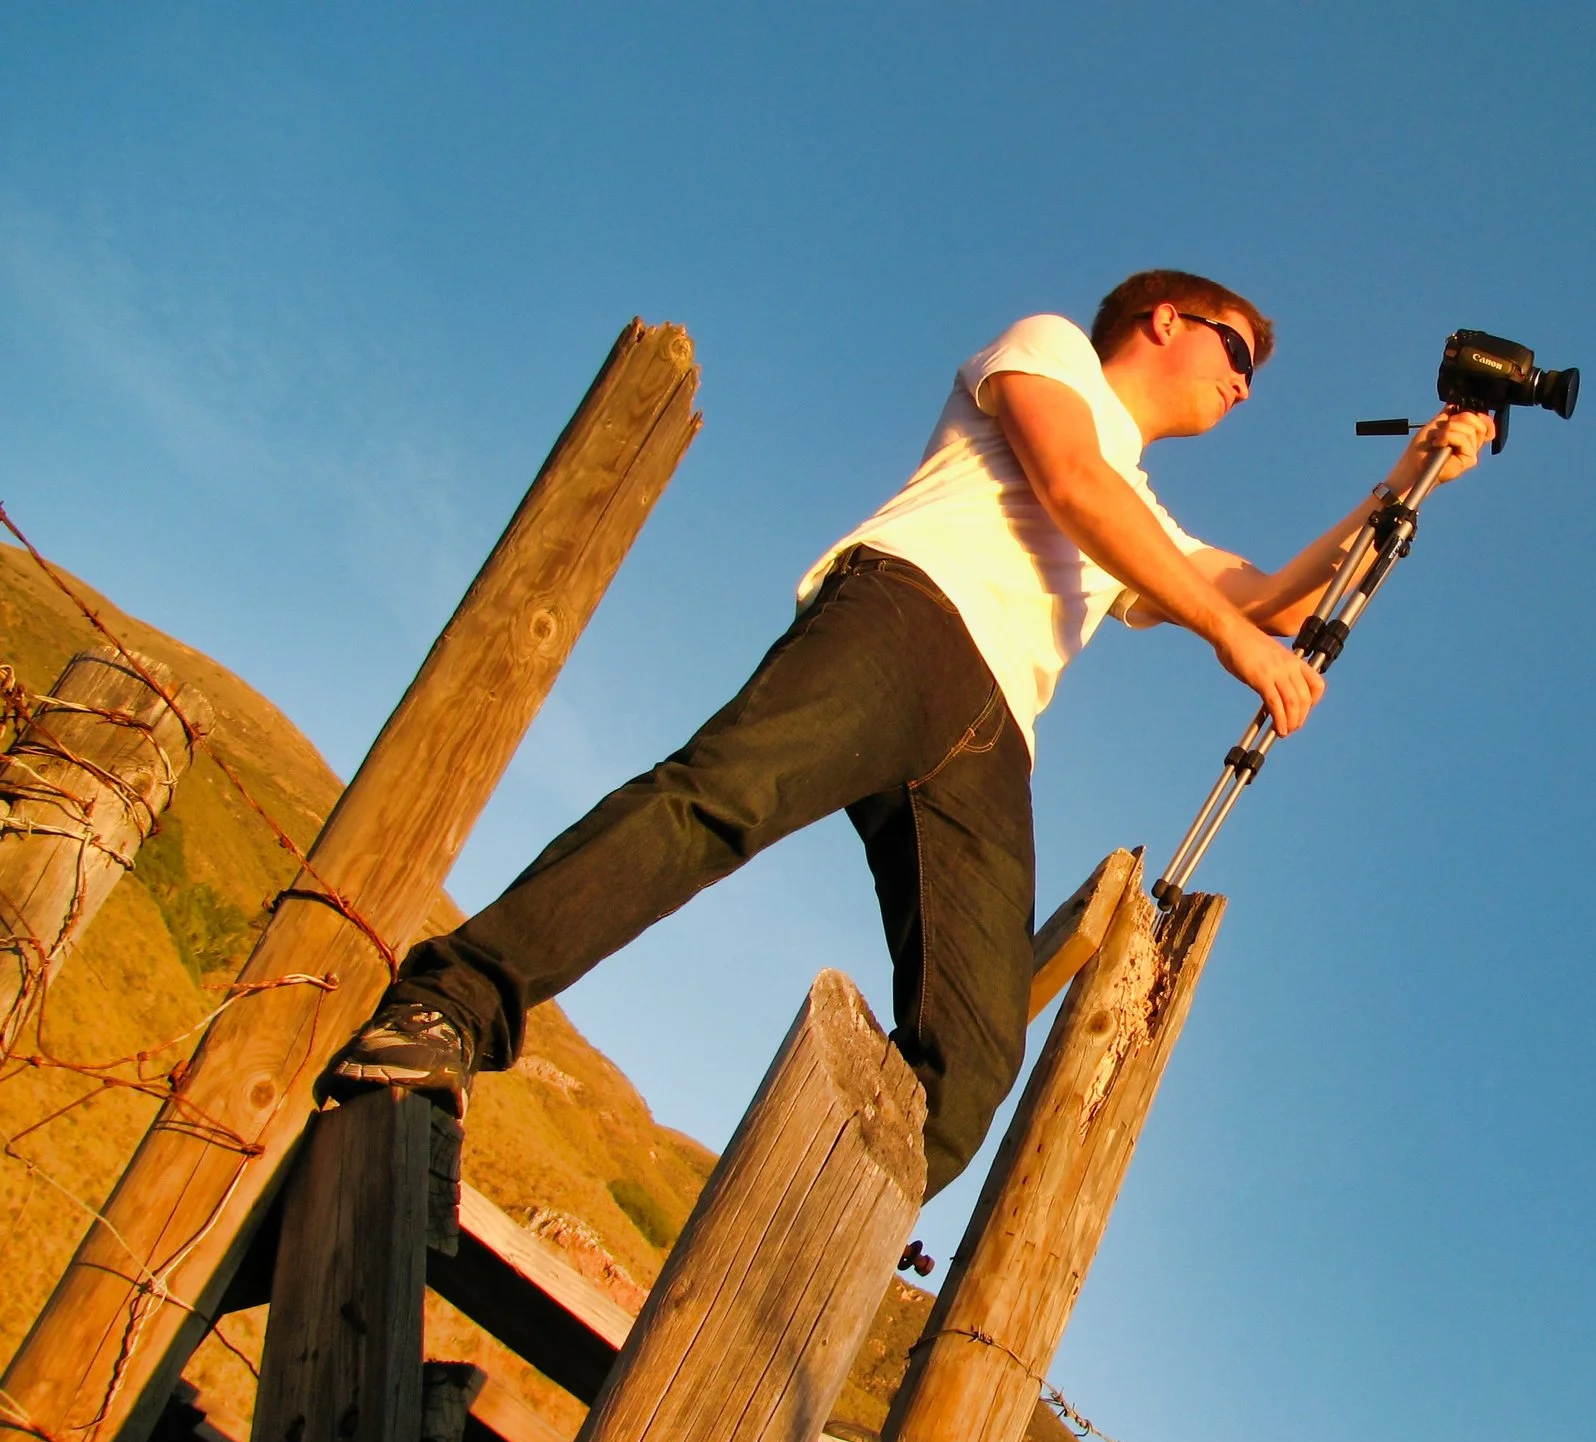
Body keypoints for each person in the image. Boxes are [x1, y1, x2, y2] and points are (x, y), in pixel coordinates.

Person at [320, 270, 1495, 1199]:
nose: (1245, 386)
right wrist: (1230, 639)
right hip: (907, 616)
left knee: (973, 1056)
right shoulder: (1051, 350)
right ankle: (450, 1004)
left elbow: (1274, 600)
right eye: (1237, 354)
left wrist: (1408, 478)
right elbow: (1071, 484)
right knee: (722, 798)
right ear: (1165, 320)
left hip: (993, 734)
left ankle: (794, 1258)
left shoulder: (1148, 516)